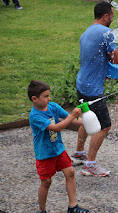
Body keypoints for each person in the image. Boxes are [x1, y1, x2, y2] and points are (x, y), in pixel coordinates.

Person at [71, 1, 118, 177]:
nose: (113, 19)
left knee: (86, 119)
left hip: (82, 84)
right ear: (106, 16)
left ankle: (79, 154)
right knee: (104, 127)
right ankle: (90, 165)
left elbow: (94, 58)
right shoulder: (106, 32)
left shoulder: (86, 32)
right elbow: (115, 59)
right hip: (93, 90)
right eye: (112, 16)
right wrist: (115, 65)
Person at [28, 80, 89, 213]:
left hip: (58, 150)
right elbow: (55, 128)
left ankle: (73, 207)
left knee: (70, 172)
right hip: (44, 154)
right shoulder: (35, 116)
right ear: (34, 98)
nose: (49, 98)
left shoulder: (53, 106)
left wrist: (87, 122)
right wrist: (73, 115)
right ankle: (42, 210)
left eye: (49, 95)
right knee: (46, 182)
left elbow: (71, 119)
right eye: (45, 96)